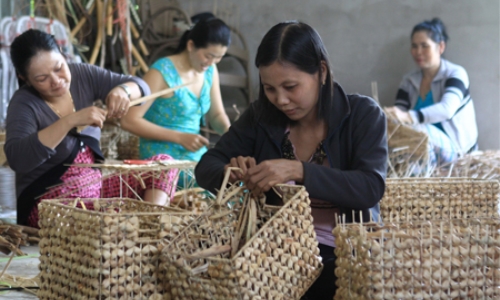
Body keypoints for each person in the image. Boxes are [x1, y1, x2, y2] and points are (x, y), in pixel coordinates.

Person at [195, 21, 388, 299]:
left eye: (290, 86)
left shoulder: (361, 115)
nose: (280, 100)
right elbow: (206, 166)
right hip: (276, 251)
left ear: (321, 72)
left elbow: (370, 187)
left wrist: (300, 170)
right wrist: (231, 172)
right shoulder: (261, 117)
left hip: (345, 254)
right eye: (270, 89)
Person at [4, 29, 177, 228]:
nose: (56, 80)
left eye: (59, 67)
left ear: (62, 53)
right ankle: (116, 226)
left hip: (94, 189)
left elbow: (141, 86)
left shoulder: (82, 74)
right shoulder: (24, 103)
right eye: (42, 79)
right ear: (25, 78)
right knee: (95, 213)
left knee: (164, 166)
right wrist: (69, 121)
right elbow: (17, 158)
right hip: (50, 202)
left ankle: (150, 225)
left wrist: (124, 90)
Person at [120, 16, 231, 163]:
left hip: (194, 155)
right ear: (191, 45)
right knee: (206, 181)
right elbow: (129, 120)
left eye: (219, 58)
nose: (211, 63)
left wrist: (231, 134)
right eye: (208, 56)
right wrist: (179, 137)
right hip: (161, 159)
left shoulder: (210, 71)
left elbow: (216, 115)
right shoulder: (162, 72)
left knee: (234, 181)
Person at [385, 17, 478, 164]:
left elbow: (447, 109)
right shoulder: (408, 81)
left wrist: (409, 116)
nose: (418, 52)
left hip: (457, 151)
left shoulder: (456, 73)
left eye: (424, 46)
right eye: (414, 46)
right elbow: (398, 116)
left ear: (440, 47)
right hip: (423, 149)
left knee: (420, 133)